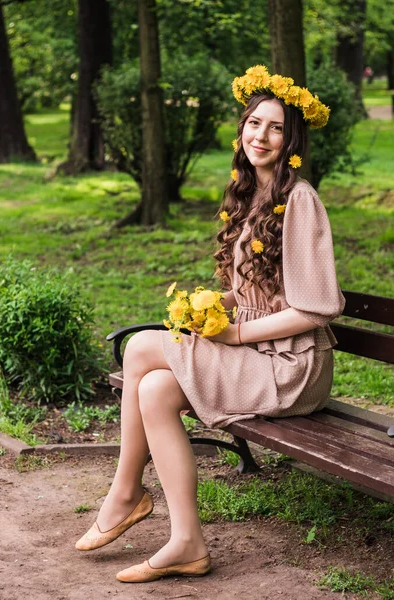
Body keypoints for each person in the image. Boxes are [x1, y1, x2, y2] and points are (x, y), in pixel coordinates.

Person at [74, 65, 345, 583]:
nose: (261, 136)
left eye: (276, 128)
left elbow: (315, 307)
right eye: (254, 123)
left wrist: (234, 332)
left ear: (292, 140)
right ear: (242, 129)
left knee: (138, 352)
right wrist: (212, 305)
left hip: (292, 366)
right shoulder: (250, 194)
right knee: (153, 389)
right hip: (260, 355)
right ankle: (187, 542)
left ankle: (126, 494)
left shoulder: (300, 200)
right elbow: (257, 290)